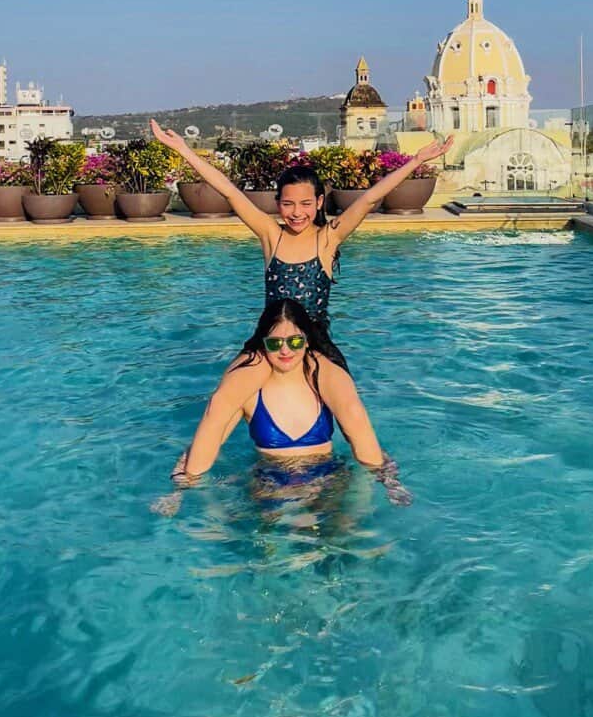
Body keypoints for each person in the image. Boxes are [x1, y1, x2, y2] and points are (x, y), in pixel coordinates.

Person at [149, 117, 453, 369]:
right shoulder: (271, 235)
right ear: (278, 203)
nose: (297, 212)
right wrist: (183, 150)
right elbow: (229, 191)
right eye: (288, 204)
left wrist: (416, 160)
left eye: (306, 204)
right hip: (269, 341)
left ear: (319, 202)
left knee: (347, 405)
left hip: (315, 344)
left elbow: (370, 198)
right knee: (223, 393)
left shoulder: (328, 237)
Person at [153, 298, 411, 512]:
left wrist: (389, 480)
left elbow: (361, 433)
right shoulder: (249, 391)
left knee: (342, 546)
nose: (285, 351)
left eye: (295, 342)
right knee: (269, 553)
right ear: (264, 343)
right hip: (269, 481)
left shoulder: (324, 380)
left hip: (326, 477)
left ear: (307, 340)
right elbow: (212, 435)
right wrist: (180, 488)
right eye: (275, 343)